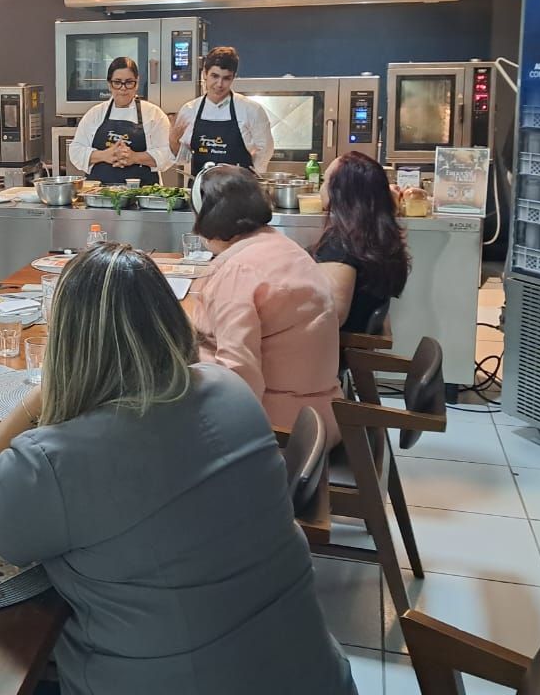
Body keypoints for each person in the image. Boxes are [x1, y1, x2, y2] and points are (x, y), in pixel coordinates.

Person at [0, 243, 355, 695]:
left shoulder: (54, 460)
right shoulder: (230, 390)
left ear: (65, 347)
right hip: (315, 676)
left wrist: (39, 400)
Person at [191, 164, 343, 440]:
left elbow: (239, 377)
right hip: (319, 413)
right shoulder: (283, 247)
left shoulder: (239, 271)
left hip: (282, 428)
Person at [314, 151, 410, 332]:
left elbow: (333, 316)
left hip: (337, 353)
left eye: (325, 181)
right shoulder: (376, 234)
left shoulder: (341, 244)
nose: (321, 188)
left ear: (341, 193)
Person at [67, 57, 175, 185]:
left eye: (129, 82)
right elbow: (76, 151)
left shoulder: (154, 115)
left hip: (143, 195)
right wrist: (105, 155)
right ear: (109, 84)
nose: (123, 88)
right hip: (98, 195)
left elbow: (168, 153)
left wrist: (134, 157)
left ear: (137, 83)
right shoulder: (95, 114)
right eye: (117, 82)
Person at [169, 45, 274, 175]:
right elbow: (184, 159)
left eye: (226, 78)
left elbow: (265, 150)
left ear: (233, 77)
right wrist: (173, 140)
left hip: (239, 190)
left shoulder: (251, 110)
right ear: (204, 74)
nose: (219, 84)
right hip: (202, 190)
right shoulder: (189, 110)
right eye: (215, 76)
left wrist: (251, 179)